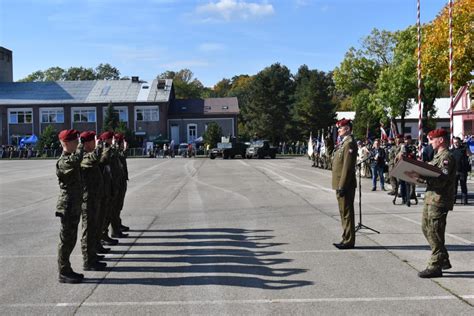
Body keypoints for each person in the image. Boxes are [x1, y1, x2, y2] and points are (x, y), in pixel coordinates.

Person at [405, 129, 456, 278]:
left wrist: (421, 176)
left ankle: (435, 266)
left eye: (432, 139)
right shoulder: (437, 156)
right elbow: (430, 177)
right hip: (431, 198)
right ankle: (443, 258)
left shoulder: (447, 157)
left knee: (435, 231)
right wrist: (415, 176)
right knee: (426, 228)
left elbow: (441, 181)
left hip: (439, 199)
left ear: (440, 140)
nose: (430, 142)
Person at [55, 129, 84, 283]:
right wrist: (80, 149)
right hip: (67, 205)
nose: (78, 144)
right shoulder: (63, 161)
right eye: (75, 141)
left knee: (71, 239)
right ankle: (63, 271)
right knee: (66, 239)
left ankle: (67, 268)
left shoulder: (71, 158)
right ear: (66, 143)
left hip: (74, 204)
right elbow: (76, 160)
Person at [79, 131, 107, 271]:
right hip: (88, 199)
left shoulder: (87, 155)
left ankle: (93, 255)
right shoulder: (83, 156)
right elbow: (95, 158)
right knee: (89, 230)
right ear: (88, 142)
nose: (95, 143)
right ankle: (88, 260)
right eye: (93, 141)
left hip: (94, 197)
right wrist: (99, 146)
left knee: (94, 227)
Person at [331, 119, 357, 249]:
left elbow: (347, 167)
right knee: (343, 212)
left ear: (347, 128)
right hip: (341, 183)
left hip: (345, 184)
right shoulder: (344, 142)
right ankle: (345, 237)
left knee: (346, 213)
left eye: (340, 128)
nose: (338, 130)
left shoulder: (349, 143)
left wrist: (342, 185)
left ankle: (349, 240)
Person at [451, 137, 472, 205]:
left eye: (457, 142)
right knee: (454, 187)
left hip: (463, 171)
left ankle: (464, 200)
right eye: (454, 143)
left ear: (460, 142)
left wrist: (467, 147)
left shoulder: (464, 149)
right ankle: (453, 200)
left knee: (463, 186)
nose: (456, 144)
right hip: (454, 171)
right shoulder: (451, 150)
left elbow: (470, 154)